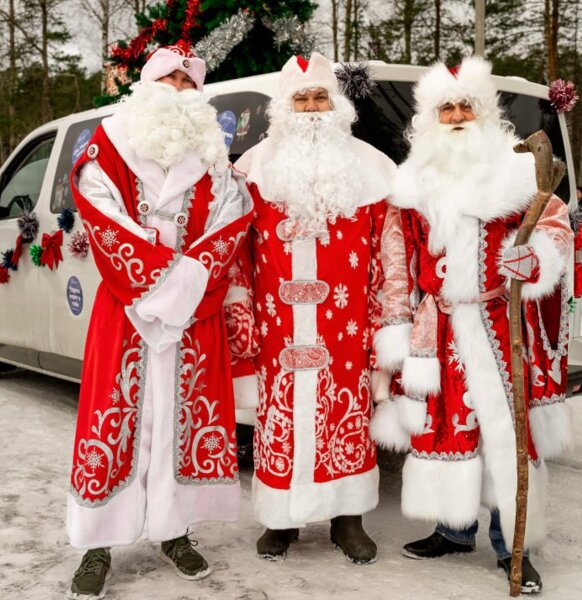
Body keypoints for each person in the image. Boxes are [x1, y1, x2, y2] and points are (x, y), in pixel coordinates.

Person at [374, 57, 575, 594]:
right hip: (437, 325)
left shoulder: (514, 172)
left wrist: (534, 262)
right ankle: (452, 529)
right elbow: (395, 261)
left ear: (484, 113)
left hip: (497, 318)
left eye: (467, 106)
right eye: (447, 107)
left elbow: (554, 225)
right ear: (430, 118)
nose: (458, 115)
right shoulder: (413, 182)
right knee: (447, 426)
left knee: (506, 434)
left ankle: (515, 545)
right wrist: (396, 328)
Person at [64, 44, 253, 599]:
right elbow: (101, 213)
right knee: (114, 421)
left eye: (188, 82)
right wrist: (161, 281)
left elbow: (233, 217)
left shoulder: (214, 157)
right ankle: (95, 544)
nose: (178, 88)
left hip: (194, 318)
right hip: (126, 311)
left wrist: (187, 281)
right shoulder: (108, 144)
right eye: (168, 78)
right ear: (146, 85)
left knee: (183, 422)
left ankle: (176, 532)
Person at [225, 53, 411, 564]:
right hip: (277, 326)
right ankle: (280, 520)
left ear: (338, 104)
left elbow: (391, 253)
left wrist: (389, 324)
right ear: (283, 108)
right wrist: (242, 318)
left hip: (346, 329)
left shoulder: (374, 169)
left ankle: (347, 518)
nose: (311, 108)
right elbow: (236, 255)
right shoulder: (250, 170)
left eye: (320, 97)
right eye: (300, 98)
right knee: (279, 421)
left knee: (344, 418)